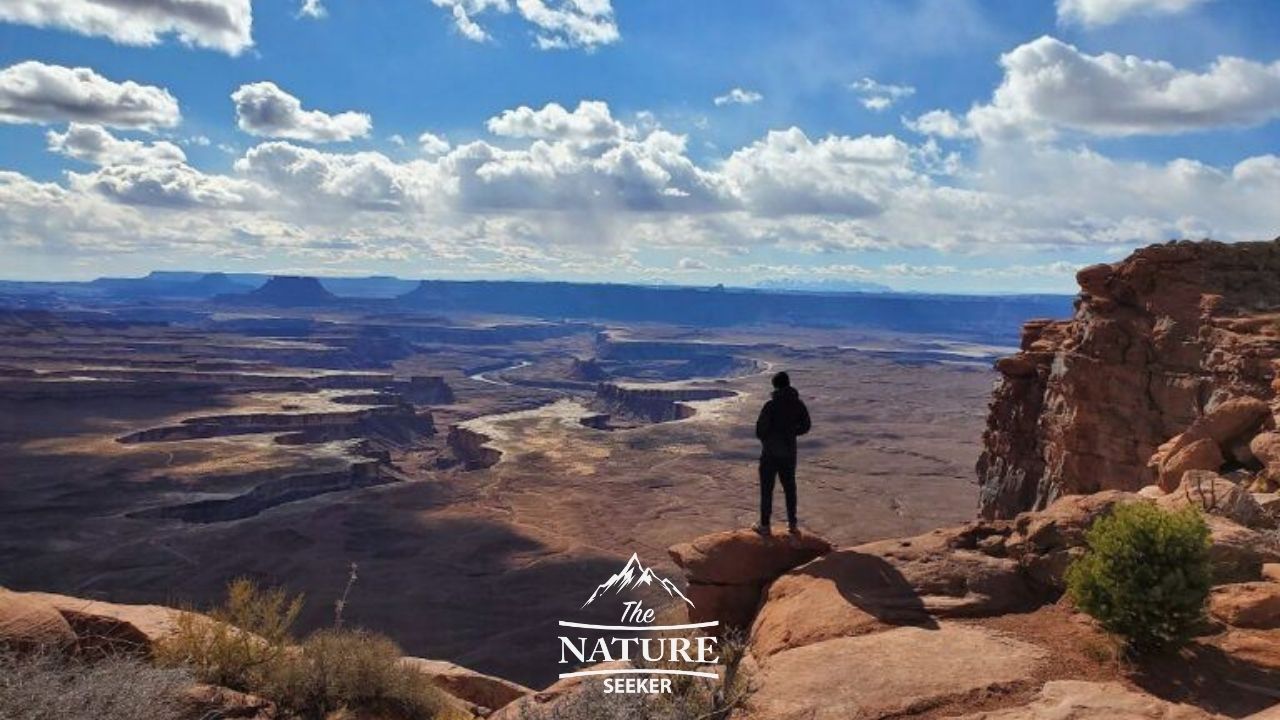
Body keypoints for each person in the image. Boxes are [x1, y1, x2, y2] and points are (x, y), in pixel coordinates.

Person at [754, 371, 811, 535]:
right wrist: (792, 433)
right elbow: (806, 426)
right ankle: (792, 525)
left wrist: (768, 439)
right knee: (790, 489)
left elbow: (760, 430)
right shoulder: (798, 404)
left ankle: (765, 526)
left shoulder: (770, 406)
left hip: (770, 454)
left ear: (775, 386)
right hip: (789, 453)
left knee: (767, 490)